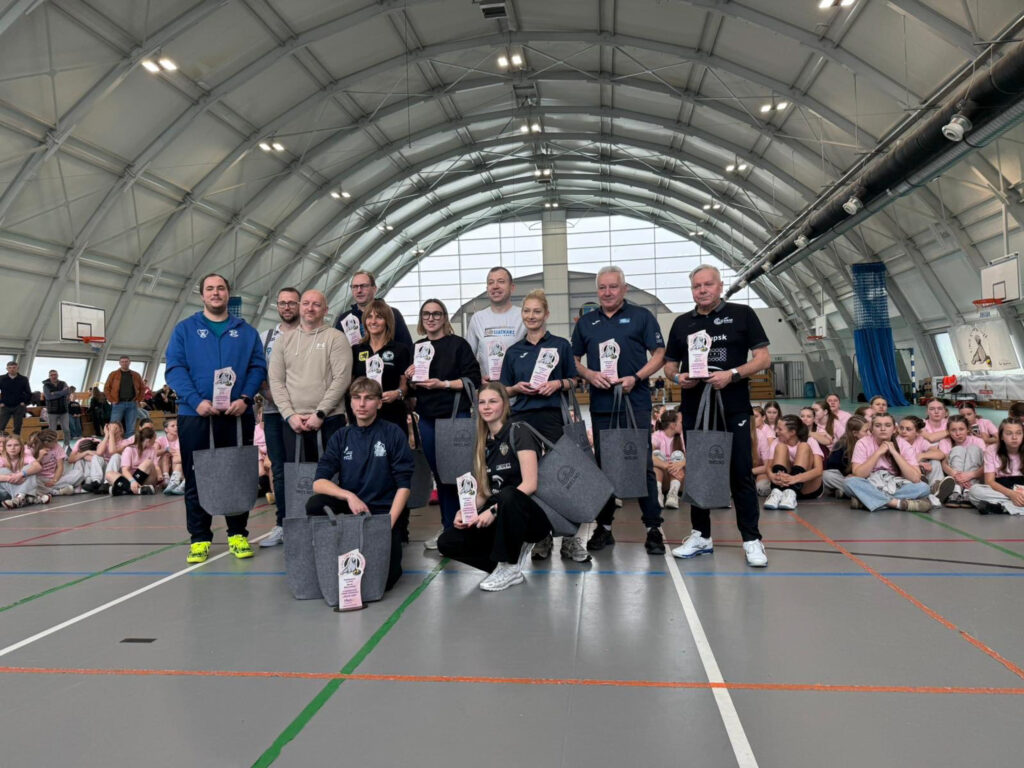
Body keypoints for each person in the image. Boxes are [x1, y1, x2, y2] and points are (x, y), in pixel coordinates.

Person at [664, 265, 771, 566]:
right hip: (696, 408)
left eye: (708, 284)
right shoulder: (682, 323)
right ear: (692, 289)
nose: (702, 290)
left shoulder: (743, 314)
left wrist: (733, 374)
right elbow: (669, 365)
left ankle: (752, 540)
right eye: (697, 285)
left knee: (740, 474)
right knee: (698, 475)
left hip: (734, 406)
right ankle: (701, 535)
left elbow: (763, 358)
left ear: (720, 285)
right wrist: (678, 378)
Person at [165, 272, 266, 564]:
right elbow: (174, 369)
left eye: (220, 288)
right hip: (194, 416)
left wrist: (244, 398)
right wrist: (196, 402)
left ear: (228, 294)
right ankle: (199, 538)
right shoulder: (185, 330)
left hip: (236, 415)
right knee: (197, 477)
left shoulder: (245, 331)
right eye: (210, 289)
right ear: (202, 296)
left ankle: (237, 534)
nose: (216, 293)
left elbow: (258, 367)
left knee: (237, 475)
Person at [571, 266, 667, 555]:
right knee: (605, 468)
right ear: (597, 291)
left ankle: (653, 529)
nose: (608, 292)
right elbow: (573, 360)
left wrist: (636, 377)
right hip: (602, 405)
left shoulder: (642, 317)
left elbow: (660, 354)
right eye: (603, 288)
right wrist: (589, 375)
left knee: (643, 465)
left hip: (635, 402)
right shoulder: (586, 323)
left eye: (613, 287)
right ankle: (605, 528)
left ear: (624, 289)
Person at [498, 289, 586, 562]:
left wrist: (557, 384)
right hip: (522, 422)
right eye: (527, 311)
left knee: (564, 480)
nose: (532, 316)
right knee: (530, 482)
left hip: (553, 419)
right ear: (522, 315)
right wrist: (515, 387)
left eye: (537, 311)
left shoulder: (560, 345)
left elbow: (574, 381)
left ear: (546, 314)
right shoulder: (514, 351)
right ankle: (541, 537)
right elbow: (503, 390)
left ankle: (571, 540)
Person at [437, 383, 551, 591]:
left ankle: (510, 565)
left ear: (504, 405)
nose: (486, 407)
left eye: (493, 401)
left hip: (529, 518)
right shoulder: (483, 440)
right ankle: (504, 565)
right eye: (482, 402)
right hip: (499, 514)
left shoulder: (519, 431)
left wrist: (493, 510)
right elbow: (484, 492)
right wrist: (466, 510)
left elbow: (530, 484)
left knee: (508, 494)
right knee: (446, 542)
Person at [306, 378, 414, 591]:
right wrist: (348, 496)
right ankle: (332, 547)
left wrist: (386, 525)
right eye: (356, 398)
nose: (362, 404)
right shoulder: (341, 436)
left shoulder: (393, 433)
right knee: (315, 504)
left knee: (387, 580)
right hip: (352, 510)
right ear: (351, 402)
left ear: (379, 403)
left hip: (383, 514)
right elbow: (318, 483)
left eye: (369, 398)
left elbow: (404, 486)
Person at [404, 298, 481, 549]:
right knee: (441, 476)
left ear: (445, 318)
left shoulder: (458, 345)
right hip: (427, 419)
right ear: (421, 318)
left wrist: (443, 384)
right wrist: (408, 379)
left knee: (460, 476)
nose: (431, 318)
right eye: (426, 314)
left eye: (437, 314)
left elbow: (473, 380)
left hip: (455, 416)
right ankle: (448, 529)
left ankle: (467, 525)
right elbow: (414, 390)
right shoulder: (418, 348)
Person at [269, 289, 352, 520]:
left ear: (325, 310)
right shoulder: (284, 340)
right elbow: (276, 381)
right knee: (296, 479)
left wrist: (321, 413)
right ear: (299, 307)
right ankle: (293, 524)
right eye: (305, 303)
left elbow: (341, 379)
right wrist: (288, 414)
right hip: (293, 422)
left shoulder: (336, 338)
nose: (310, 308)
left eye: (316, 304)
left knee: (330, 476)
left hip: (329, 420)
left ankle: (332, 523)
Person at [255, 287, 301, 546]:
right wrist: (273, 397)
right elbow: (259, 373)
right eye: (282, 303)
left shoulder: (311, 334)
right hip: (275, 413)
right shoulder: (266, 337)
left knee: (305, 468)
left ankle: (308, 519)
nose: (286, 307)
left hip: (305, 414)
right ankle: (282, 523)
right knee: (280, 470)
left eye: (291, 303)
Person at [842, 414, 931, 512]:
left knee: (924, 488)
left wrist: (895, 453)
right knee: (849, 482)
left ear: (894, 429)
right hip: (871, 483)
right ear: (871, 429)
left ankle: (865, 501)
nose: (883, 429)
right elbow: (859, 474)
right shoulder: (863, 443)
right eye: (878, 425)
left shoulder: (903, 444)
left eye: (888, 425)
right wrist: (878, 453)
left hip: (895, 485)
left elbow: (915, 478)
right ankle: (898, 504)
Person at [348, 299, 411, 431]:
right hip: (363, 414)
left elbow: (404, 386)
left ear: (387, 321)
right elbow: (350, 383)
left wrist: (397, 393)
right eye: (369, 317)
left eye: (379, 317)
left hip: (392, 413)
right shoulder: (356, 350)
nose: (373, 321)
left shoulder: (400, 349)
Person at [465, 266, 526, 382]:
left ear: (512, 287)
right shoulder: (477, 319)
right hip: (489, 391)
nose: (495, 286)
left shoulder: (523, 316)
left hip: (518, 391)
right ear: (487, 288)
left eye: (501, 282)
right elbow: (468, 359)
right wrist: (478, 379)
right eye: (491, 283)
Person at [334, 270, 414, 351]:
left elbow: (406, 347)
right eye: (355, 287)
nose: (359, 290)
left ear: (374, 289)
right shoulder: (344, 319)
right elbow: (336, 350)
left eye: (364, 286)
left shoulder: (392, 314)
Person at [763, 414, 824, 510]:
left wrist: (795, 478)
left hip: (806, 487)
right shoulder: (777, 442)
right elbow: (769, 467)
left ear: (792, 432)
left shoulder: (810, 441)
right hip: (784, 485)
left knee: (804, 446)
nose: (776, 431)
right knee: (780, 447)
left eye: (780, 429)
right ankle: (777, 491)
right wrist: (772, 476)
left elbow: (819, 470)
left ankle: (791, 493)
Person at [967, 417, 1024, 515]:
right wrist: (1011, 494)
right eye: (1009, 433)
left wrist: (1020, 494)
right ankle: (1013, 507)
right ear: (1001, 436)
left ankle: (1001, 508)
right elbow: (989, 481)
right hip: (1002, 489)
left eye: (1019, 433)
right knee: (974, 491)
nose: (1014, 437)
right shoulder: (991, 450)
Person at [897, 415, 953, 502]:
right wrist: (917, 463)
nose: (903, 431)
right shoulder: (897, 441)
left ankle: (936, 486)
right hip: (904, 473)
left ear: (917, 432)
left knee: (935, 461)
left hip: (919, 470)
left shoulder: (919, 440)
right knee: (918, 469)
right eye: (901, 428)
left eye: (908, 429)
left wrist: (922, 456)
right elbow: (897, 463)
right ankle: (928, 488)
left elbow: (940, 454)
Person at [938, 414, 986, 507]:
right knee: (958, 449)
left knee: (973, 449)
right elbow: (944, 463)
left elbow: (986, 464)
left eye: (961, 429)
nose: (958, 433)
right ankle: (956, 490)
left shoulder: (977, 441)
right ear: (948, 431)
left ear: (968, 429)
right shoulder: (945, 442)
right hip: (954, 476)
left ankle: (968, 491)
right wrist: (956, 474)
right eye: (953, 430)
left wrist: (970, 475)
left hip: (974, 476)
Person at [822, 415, 868, 498]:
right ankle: (858, 493)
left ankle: (847, 493)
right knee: (826, 475)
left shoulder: (870, 443)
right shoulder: (841, 445)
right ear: (855, 433)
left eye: (869, 430)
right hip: (845, 478)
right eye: (866, 431)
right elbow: (832, 468)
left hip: (863, 477)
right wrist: (848, 475)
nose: (869, 433)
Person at [27, 429, 83, 496]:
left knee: (79, 474)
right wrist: (40, 457)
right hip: (40, 479)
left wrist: (54, 480)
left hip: (56, 477)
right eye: (55, 441)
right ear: (46, 443)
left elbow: (60, 466)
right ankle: (57, 491)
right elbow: (30, 468)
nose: (57, 442)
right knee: (31, 481)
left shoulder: (57, 447)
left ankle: (51, 490)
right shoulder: (31, 449)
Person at [0, 434, 48, 508]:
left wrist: (21, 474)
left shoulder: (26, 456)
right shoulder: (1, 459)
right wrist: (11, 478)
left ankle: (20, 498)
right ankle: (30, 499)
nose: (12, 448)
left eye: (16, 445)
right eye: (9, 445)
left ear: (21, 447)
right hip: (6, 492)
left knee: (29, 469)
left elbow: (38, 467)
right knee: (3, 471)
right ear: (5, 448)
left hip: (21, 489)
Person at [651, 408, 686, 509]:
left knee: (678, 455)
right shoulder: (657, 435)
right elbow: (646, 455)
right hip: (662, 477)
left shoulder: (682, 436)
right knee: (656, 454)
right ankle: (657, 493)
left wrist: (682, 463)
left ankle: (673, 494)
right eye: (681, 422)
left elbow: (693, 456)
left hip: (679, 478)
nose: (683, 424)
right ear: (673, 425)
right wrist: (666, 465)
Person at [104, 356, 145, 436]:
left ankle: (129, 444)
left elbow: (142, 388)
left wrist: (138, 400)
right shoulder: (113, 374)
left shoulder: (136, 375)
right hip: (118, 403)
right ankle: (112, 443)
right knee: (114, 426)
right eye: (122, 362)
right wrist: (111, 400)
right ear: (119, 363)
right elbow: (106, 388)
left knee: (131, 427)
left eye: (126, 361)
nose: (124, 363)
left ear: (130, 362)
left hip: (132, 403)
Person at [117, 425, 162, 495]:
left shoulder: (152, 450)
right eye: (154, 439)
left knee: (148, 462)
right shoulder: (129, 449)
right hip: (131, 479)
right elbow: (125, 470)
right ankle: (138, 489)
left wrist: (159, 474)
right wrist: (132, 481)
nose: (155, 442)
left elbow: (156, 466)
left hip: (147, 479)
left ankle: (124, 489)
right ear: (148, 440)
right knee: (109, 474)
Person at [0, 361, 32, 436]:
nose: (12, 369)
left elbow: (28, 393)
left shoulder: (24, 379)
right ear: (7, 369)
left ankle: (16, 443)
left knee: (17, 427)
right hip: (5, 406)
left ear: (18, 369)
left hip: (18, 406)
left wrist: (24, 402)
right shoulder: (1, 378)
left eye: (14, 368)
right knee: (1, 426)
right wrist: (0, 402)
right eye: (10, 368)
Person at [42, 370, 71, 448]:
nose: (54, 376)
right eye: (52, 375)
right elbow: (48, 397)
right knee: (52, 431)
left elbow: (67, 392)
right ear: (49, 376)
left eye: (55, 374)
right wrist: (62, 393)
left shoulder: (63, 383)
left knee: (66, 429)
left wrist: (54, 393)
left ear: (57, 375)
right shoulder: (46, 386)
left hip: (64, 410)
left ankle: (67, 445)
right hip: (52, 411)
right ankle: (53, 445)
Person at [160, 416, 185, 495]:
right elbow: (154, 453)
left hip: (176, 464)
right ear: (166, 429)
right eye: (173, 426)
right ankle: (167, 478)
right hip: (164, 466)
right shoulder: (161, 439)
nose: (176, 427)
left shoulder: (181, 438)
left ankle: (174, 482)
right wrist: (166, 449)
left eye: (177, 425)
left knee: (178, 458)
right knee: (165, 455)